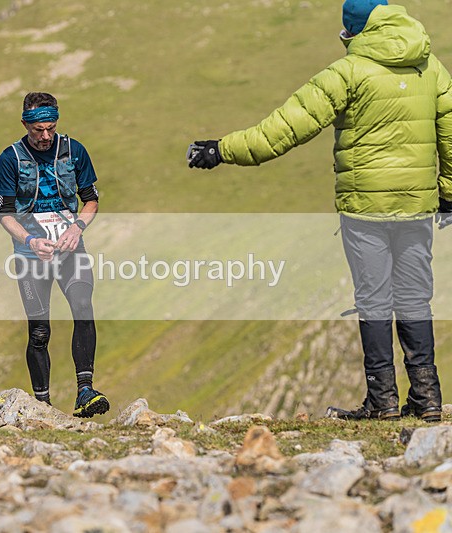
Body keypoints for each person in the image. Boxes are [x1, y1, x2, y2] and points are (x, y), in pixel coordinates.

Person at [188, 0, 452, 422]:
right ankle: (428, 399)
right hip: (416, 206)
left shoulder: (346, 73)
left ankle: (383, 402)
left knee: (373, 300)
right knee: (415, 299)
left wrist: (221, 150)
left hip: (364, 208)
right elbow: (450, 131)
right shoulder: (430, 66)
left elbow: (283, 128)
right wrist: (449, 193)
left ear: (352, 34)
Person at [0, 92, 110, 418]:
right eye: (37, 130)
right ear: (24, 125)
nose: (45, 136)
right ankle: (42, 405)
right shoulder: (11, 159)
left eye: (50, 128)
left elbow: (90, 200)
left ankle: (85, 391)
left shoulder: (74, 151)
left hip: (70, 248)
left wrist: (77, 228)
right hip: (30, 255)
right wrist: (30, 241)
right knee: (40, 331)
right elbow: (5, 214)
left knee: (83, 307)